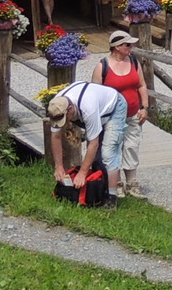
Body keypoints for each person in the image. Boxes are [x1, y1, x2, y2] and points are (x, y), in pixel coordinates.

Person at [47, 76, 128, 208]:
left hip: (114, 107)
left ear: (70, 109)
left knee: (108, 153)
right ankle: (98, 190)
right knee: (96, 158)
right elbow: (55, 136)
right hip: (96, 109)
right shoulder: (56, 105)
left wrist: (82, 173)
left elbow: (93, 144)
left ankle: (112, 197)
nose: (63, 123)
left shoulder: (87, 108)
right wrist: (59, 166)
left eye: (64, 118)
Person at [94, 31, 149, 199]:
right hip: (112, 117)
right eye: (128, 45)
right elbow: (96, 94)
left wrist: (145, 107)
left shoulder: (133, 62)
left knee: (131, 146)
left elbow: (141, 85)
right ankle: (116, 183)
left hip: (133, 113)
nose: (131, 47)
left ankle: (132, 182)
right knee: (114, 148)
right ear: (117, 47)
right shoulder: (102, 66)